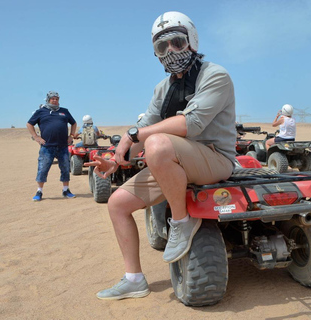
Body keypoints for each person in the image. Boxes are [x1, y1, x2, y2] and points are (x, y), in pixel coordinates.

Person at [86, 11, 237, 300]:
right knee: (117, 203)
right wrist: (117, 159)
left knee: (156, 143)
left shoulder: (215, 75)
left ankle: (181, 222)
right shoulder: (163, 88)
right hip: (175, 160)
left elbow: (189, 124)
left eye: (177, 42)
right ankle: (133, 279)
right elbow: (144, 127)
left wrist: (135, 136)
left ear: (191, 41)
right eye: (161, 47)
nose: (170, 52)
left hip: (214, 159)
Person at [27, 91, 78, 201]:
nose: (55, 100)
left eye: (57, 99)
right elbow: (29, 124)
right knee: (43, 169)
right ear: (48, 99)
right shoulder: (41, 112)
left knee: (65, 168)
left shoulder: (64, 111)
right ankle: (39, 191)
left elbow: (73, 123)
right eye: (53, 99)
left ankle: (66, 190)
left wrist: (71, 136)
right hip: (47, 146)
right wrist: (36, 137)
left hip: (63, 146)